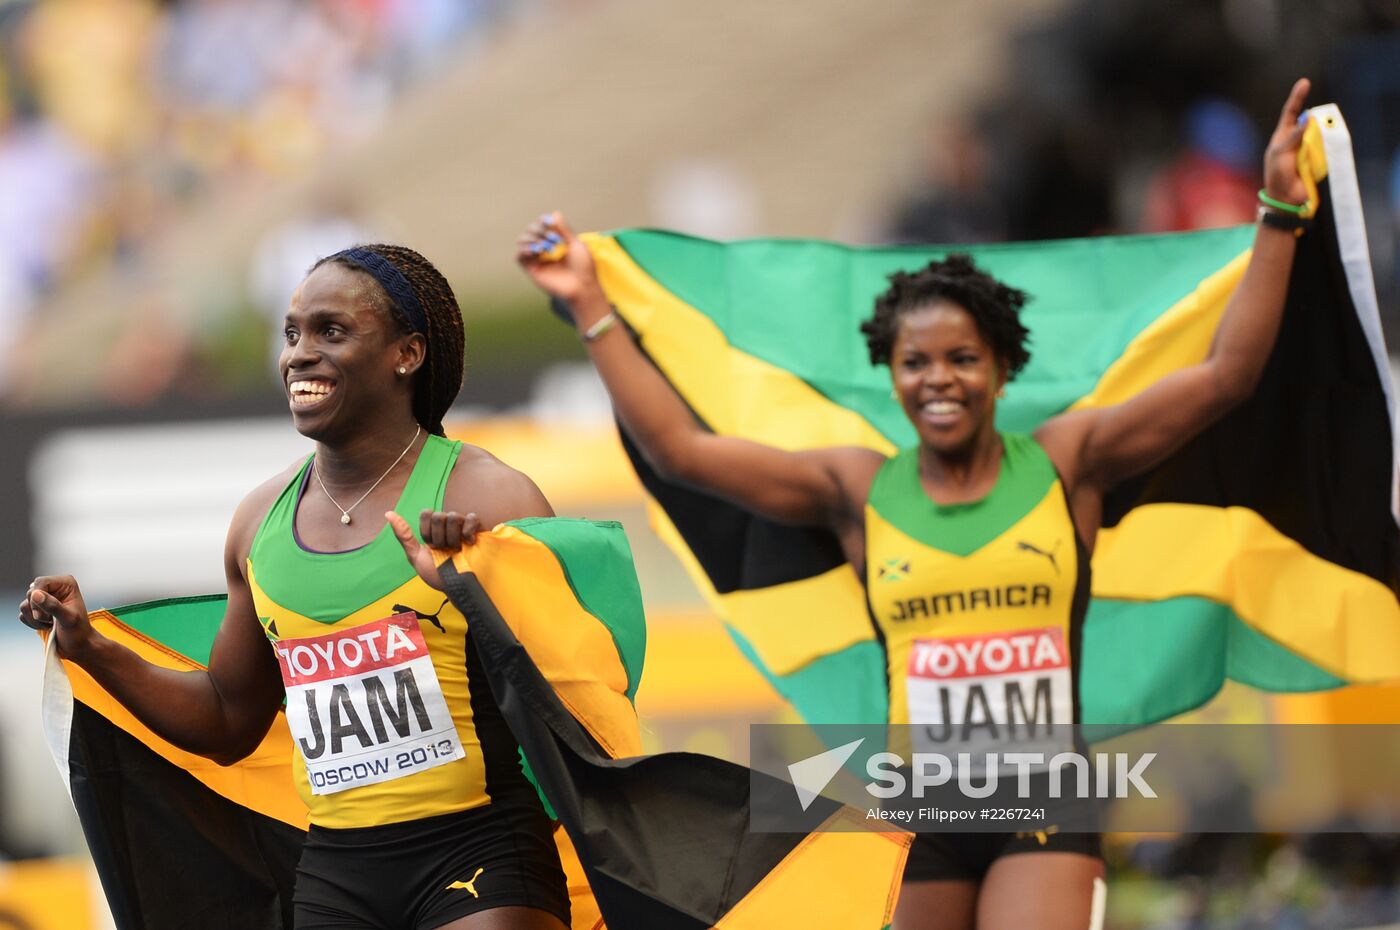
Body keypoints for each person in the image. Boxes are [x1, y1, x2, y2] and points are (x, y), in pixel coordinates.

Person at [516, 79, 1313, 930]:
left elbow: (1227, 375)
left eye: (962, 358)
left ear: (1002, 368)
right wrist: (592, 305)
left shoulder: (1067, 463)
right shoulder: (858, 490)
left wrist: (1278, 215)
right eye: (916, 362)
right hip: (917, 810)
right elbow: (684, 450)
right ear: (893, 378)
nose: (939, 379)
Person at [21, 244, 571, 930]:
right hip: (338, 874)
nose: (298, 355)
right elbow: (227, 719)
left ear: (408, 354)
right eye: (292, 334)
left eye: (331, 332)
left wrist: (477, 594)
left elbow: (577, 704)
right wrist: (92, 650)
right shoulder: (260, 524)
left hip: (481, 850)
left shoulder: (490, 497)